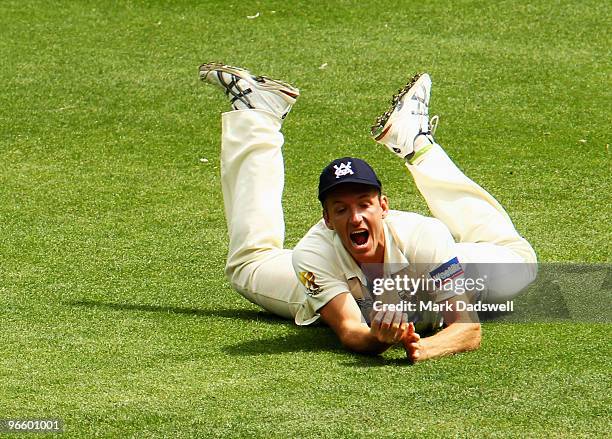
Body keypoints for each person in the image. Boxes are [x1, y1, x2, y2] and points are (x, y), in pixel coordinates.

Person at [199, 62, 537, 362]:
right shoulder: (313, 254)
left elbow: (467, 329)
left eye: (364, 204)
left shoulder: (424, 237)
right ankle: (256, 114)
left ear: (384, 207)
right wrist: (378, 337)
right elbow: (349, 330)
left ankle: (415, 144)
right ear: (327, 220)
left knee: (520, 260)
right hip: (335, 279)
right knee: (248, 266)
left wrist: (423, 348)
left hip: (435, 264)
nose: (356, 217)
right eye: (341, 209)